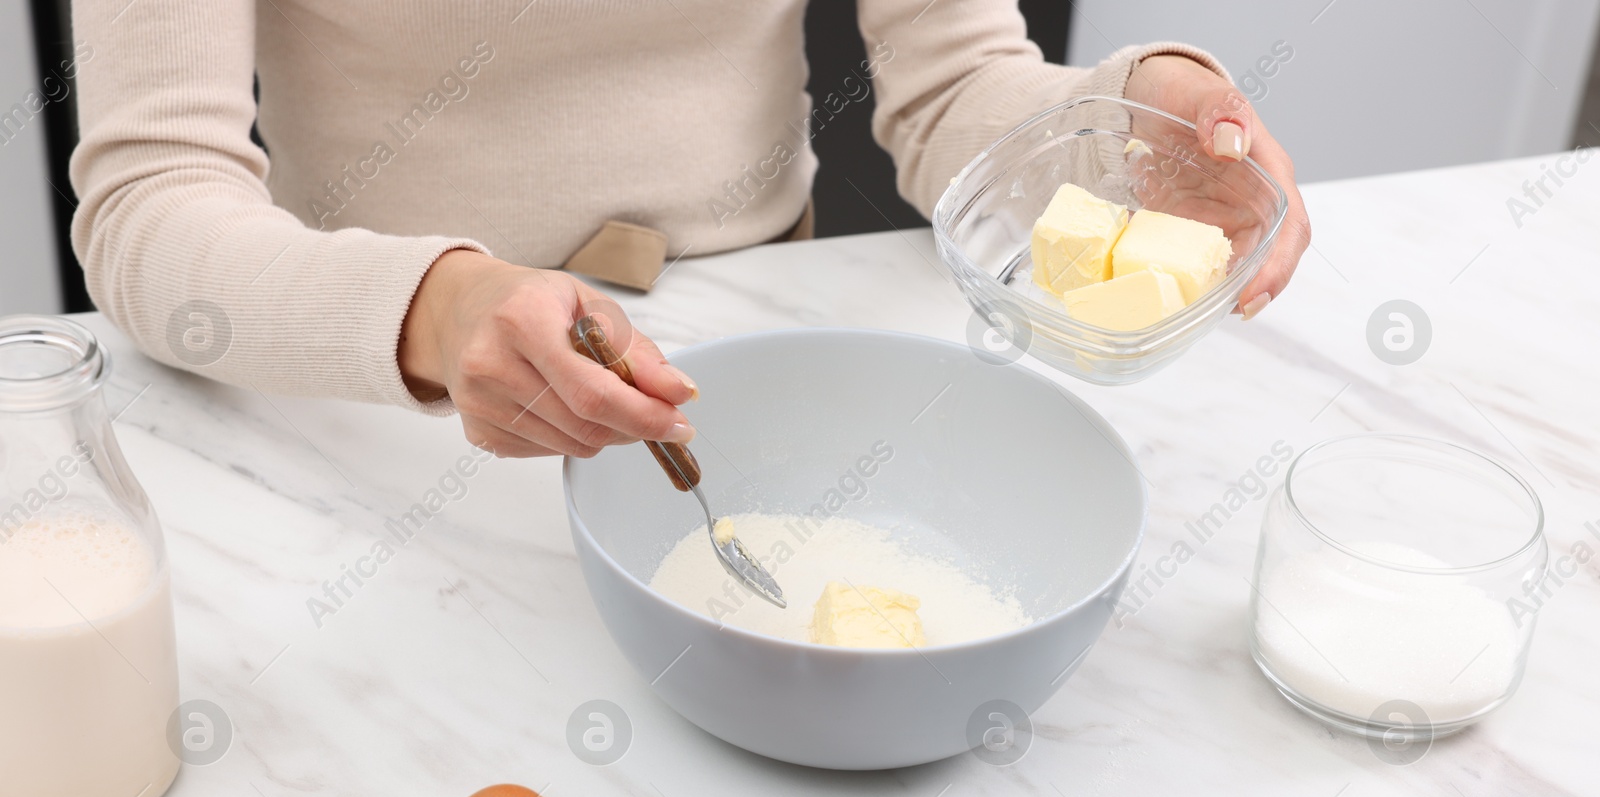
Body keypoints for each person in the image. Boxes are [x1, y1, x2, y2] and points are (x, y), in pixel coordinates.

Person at [70, 1, 1310, 460]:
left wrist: (1130, 116)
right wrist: (438, 309)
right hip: (373, 410)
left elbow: (952, 84)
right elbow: (148, 206)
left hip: (750, 372)